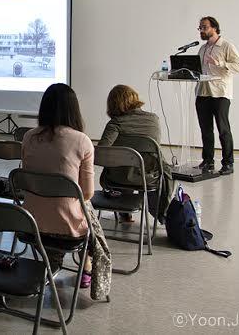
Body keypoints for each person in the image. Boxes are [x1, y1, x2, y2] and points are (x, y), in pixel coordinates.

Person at [21, 83, 95, 288]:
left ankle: (51, 263)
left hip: (30, 224)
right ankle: (86, 268)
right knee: (87, 210)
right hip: (67, 229)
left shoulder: (28, 137)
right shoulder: (82, 141)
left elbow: (26, 180)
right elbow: (87, 193)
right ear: (74, 109)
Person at [97, 85, 175, 222]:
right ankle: (160, 215)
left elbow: (101, 154)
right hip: (148, 178)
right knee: (139, 164)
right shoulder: (153, 120)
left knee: (123, 166)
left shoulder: (115, 124)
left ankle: (123, 211)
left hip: (117, 179)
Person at [195, 16, 239, 174]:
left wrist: (220, 63)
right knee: (205, 129)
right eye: (200, 27)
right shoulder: (202, 49)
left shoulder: (226, 46)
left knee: (223, 129)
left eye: (205, 27)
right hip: (203, 92)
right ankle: (208, 161)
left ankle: (228, 163)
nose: (202, 30)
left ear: (214, 28)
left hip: (220, 94)